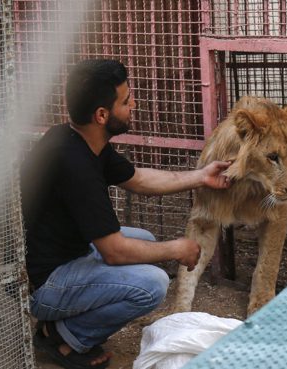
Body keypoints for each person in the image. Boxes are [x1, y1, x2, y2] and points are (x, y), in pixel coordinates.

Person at [20, 59, 232, 369]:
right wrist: (176, 249)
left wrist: (202, 176)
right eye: (126, 100)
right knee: (152, 283)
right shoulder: (75, 167)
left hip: (59, 254)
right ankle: (65, 336)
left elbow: (139, 179)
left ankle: (64, 323)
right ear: (102, 115)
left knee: (144, 240)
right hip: (43, 284)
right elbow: (115, 252)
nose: (134, 103)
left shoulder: (76, 139)